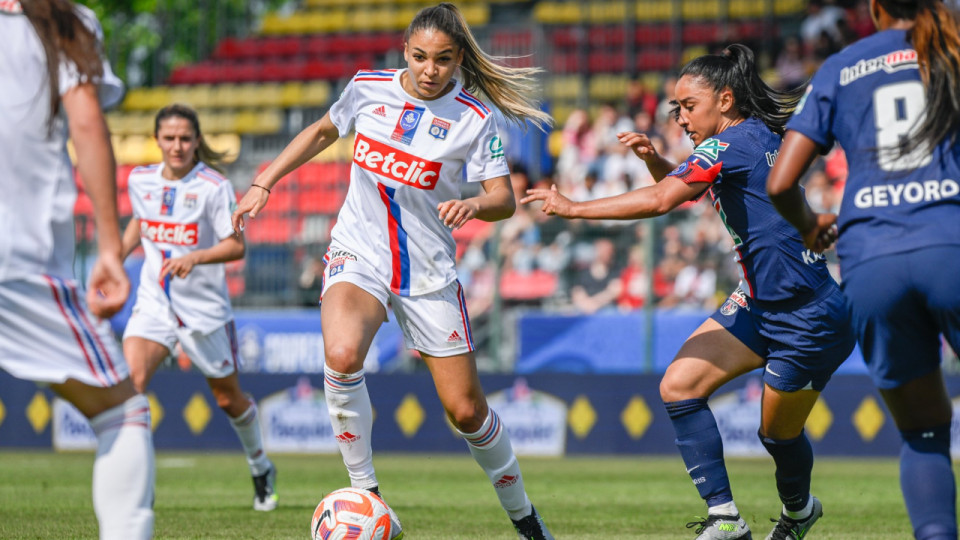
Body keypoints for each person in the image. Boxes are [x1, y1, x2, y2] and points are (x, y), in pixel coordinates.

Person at [231, 4, 554, 539]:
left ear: (458, 61)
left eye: (444, 60)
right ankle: (369, 496)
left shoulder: (474, 118)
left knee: (467, 411)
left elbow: (504, 199)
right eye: (421, 56)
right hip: (359, 252)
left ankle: (525, 518)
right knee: (339, 356)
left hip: (427, 273)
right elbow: (320, 132)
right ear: (405, 49)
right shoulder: (367, 87)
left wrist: (474, 206)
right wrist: (264, 181)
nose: (431, 69)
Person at [522, 43, 856, 540]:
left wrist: (574, 208)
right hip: (761, 302)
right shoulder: (750, 136)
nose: (679, 116)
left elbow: (663, 200)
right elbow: (684, 189)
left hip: (808, 315)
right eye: (675, 106)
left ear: (725, 100)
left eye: (688, 105)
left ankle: (799, 512)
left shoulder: (728, 144)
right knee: (678, 386)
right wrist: (658, 159)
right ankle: (726, 518)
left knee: (776, 435)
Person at [767, 1, 960, 538]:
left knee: (923, 435)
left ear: (874, 8)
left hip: (871, 260)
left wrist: (809, 225)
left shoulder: (840, 67)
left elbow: (780, 183)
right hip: (952, 243)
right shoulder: (952, 51)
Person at [0, 1, 154, 538]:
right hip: (16, 257)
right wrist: (110, 247)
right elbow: (86, 122)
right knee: (122, 412)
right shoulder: (62, 21)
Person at [120, 104, 277, 512]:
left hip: (204, 310)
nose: (177, 146)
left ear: (196, 141)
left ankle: (260, 465)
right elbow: (141, 220)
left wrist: (196, 257)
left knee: (228, 400)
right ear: (156, 140)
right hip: (154, 302)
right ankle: (139, 488)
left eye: (185, 139)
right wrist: (114, 258)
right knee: (130, 387)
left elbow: (235, 245)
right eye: (169, 138)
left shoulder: (212, 186)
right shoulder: (139, 179)